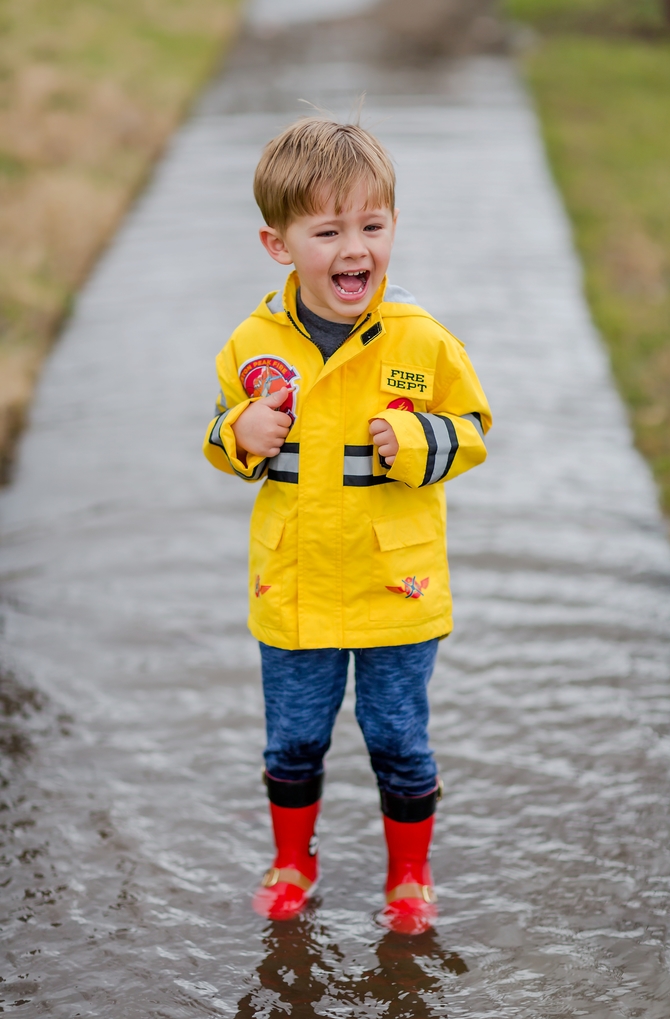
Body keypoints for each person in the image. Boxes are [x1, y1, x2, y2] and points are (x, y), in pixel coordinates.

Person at [203, 116, 491, 935]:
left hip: (395, 586)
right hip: (294, 585)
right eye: (327, 230)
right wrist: (238, 435)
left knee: (398, 735)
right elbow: (219, 435)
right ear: (278, 243)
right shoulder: (250, 344)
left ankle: (410, 875)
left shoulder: (422, 340)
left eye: (372, 225)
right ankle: (294, 861)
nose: (353, 248)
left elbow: (472, 431)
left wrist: (419, 439)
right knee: (293, 738)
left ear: (393, 228)